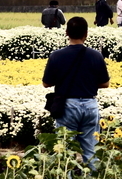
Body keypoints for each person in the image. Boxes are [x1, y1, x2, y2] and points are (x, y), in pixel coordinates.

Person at [42, 16, 111, 165]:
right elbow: (105, 83)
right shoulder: (96, 55)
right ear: (86, 34)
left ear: (66, 32)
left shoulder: (56, 56)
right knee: (92, 150)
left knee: (65, 149)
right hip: (90, 105)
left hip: (67, 105)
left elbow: (46, 83)